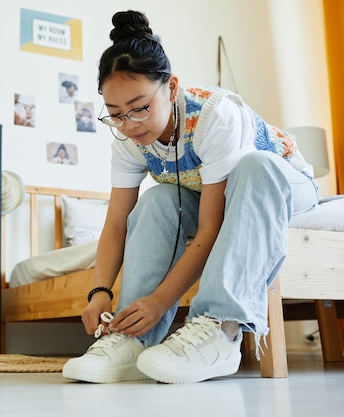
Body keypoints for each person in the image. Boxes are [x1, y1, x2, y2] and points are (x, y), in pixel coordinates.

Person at [62, 10, 319, 384]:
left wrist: (162, 299)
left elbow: (212, 227)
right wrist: (99, 291)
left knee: (255, 167)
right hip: (222, 195)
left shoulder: (217, 116)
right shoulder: (127, 140)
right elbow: (117, 223)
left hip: (281, 182)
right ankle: (132, 337)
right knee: (158, 199)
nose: (129, 124)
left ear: (170, 87)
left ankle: (221, 329)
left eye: (139, 107)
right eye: (116, 114)